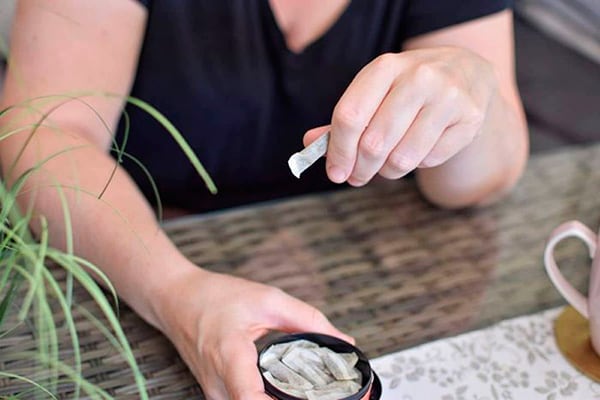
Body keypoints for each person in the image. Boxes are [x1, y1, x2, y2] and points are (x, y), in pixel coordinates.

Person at [0, 1, 528, 399]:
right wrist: (176, 291)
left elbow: (479, 184)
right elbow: (42, 136)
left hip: (357, 269)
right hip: (123, 267)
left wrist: (471, 89)